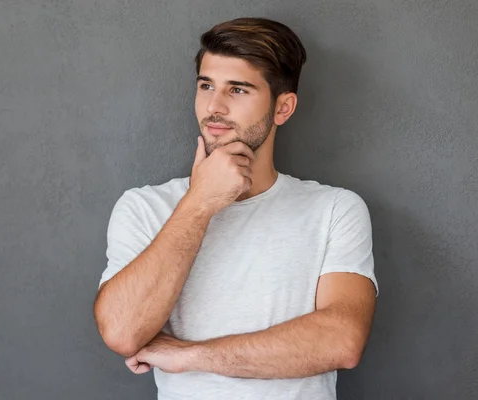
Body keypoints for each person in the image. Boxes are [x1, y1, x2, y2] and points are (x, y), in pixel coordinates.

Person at [93, 17, 378, 400]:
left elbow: (341, 340)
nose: (214, 106)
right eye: (206, 85)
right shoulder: (144, 207)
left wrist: (189, 355)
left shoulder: (334, 210)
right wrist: (199, 203)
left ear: (283, 108)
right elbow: (123, 332)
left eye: (238, 90)